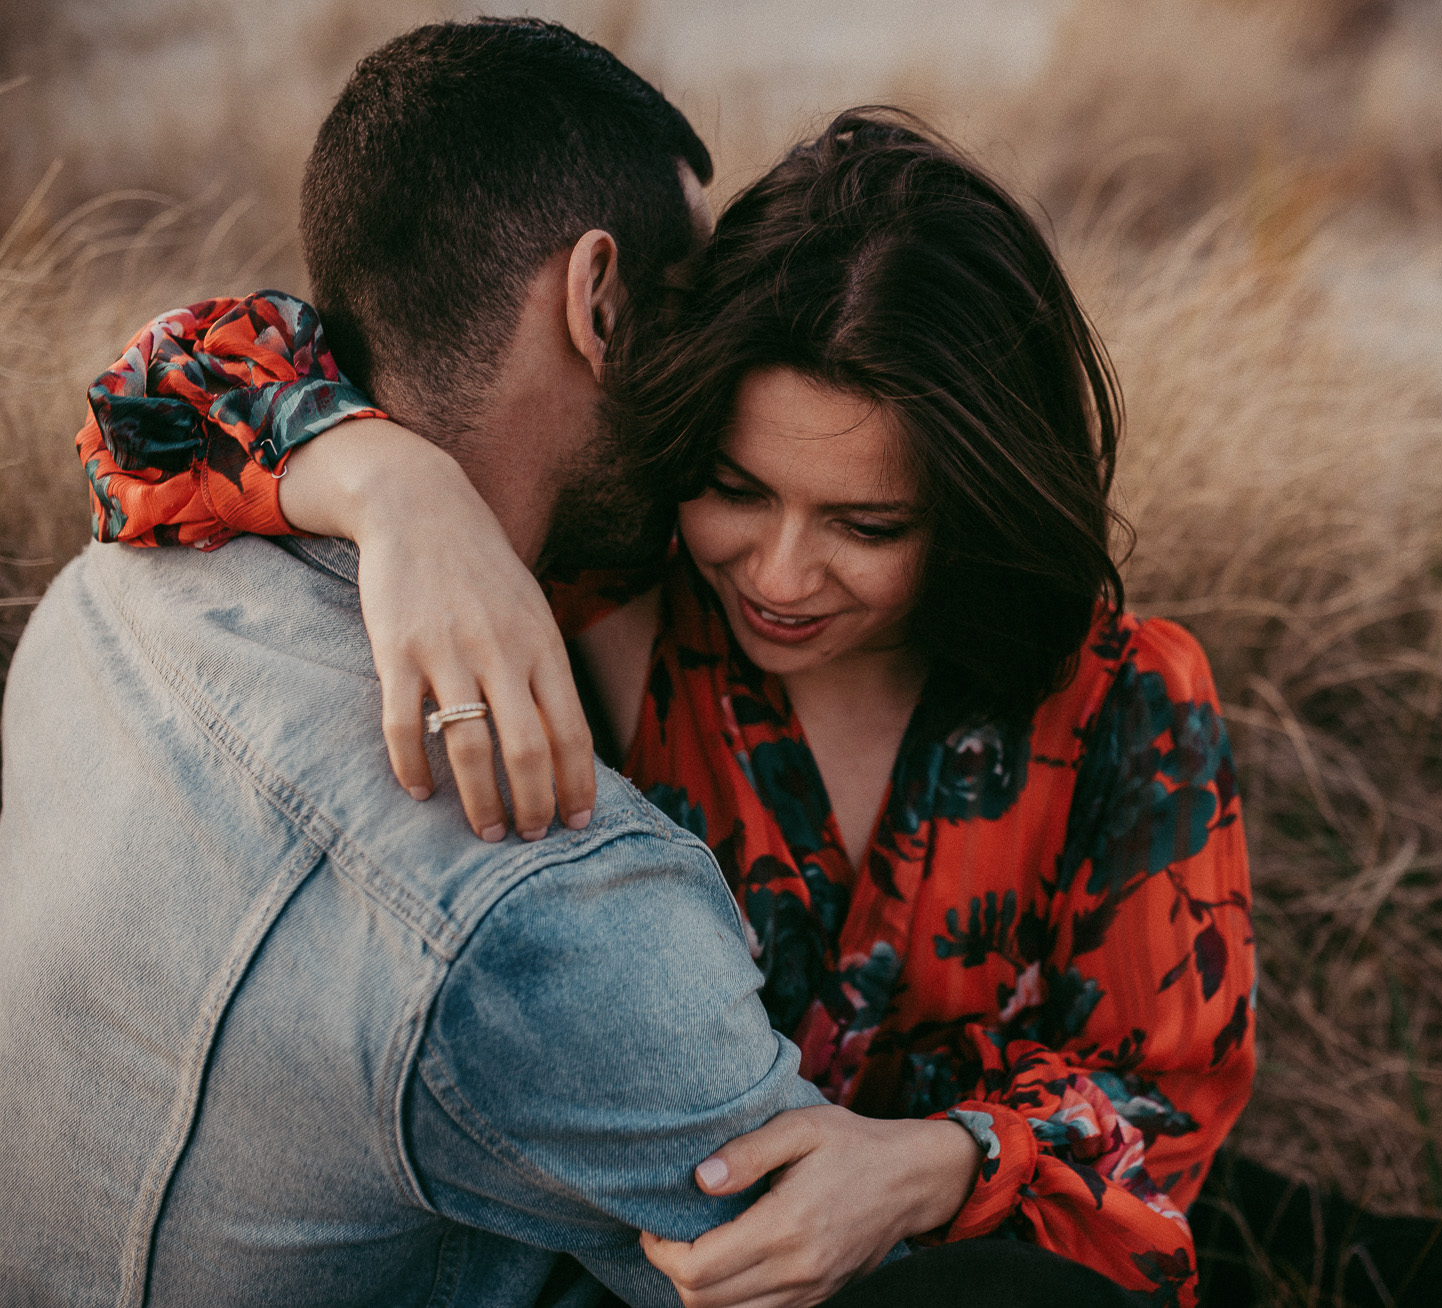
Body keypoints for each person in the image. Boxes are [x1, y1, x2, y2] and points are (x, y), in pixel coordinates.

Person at [2, 21, 1132, 1308]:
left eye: (866, 523)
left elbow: (165, 377)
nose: (776, 572)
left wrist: (383, 481)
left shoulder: (132, 566)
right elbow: (809, 1247)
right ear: (600, 302)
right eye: (690, 299)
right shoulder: (553, 905)